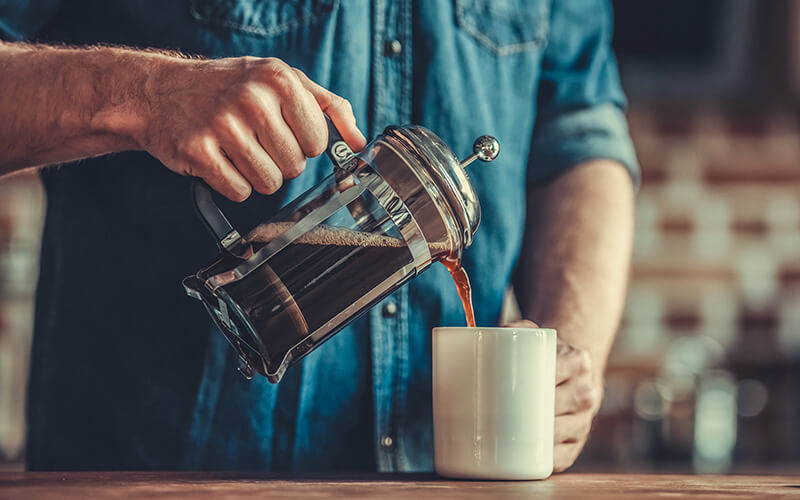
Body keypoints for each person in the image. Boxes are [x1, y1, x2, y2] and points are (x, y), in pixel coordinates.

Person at [0, 0, 637, 472]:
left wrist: (565, 355)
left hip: (438, 475)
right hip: (155, 465)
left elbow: (579, 136)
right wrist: (146, 92)